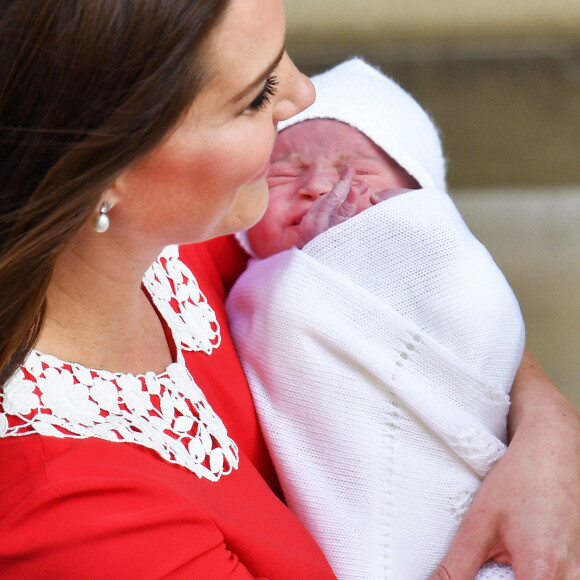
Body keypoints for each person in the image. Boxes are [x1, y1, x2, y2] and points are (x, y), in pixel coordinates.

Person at [0, 2, 577, 578]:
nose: (304, 94)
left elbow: (408, 295)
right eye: (256, 95)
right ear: (106, 170)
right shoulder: (79, 521)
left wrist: (548, 432)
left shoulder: (181, 225)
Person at [226, 59, 579, 579]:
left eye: (357, 173)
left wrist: (363, 252)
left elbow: (483, 324)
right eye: (285, 170)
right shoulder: (244, 283)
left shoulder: (451, 263)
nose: (320, 185)